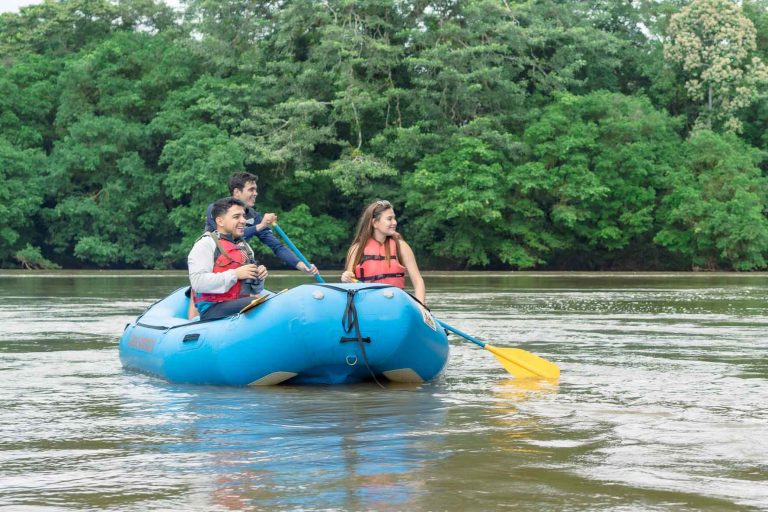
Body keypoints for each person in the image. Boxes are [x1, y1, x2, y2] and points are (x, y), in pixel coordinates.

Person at [205, 172, 318, 276]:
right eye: (251, 190)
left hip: (238, 269)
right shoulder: (215, 209)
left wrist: (302, 266)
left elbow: (277, 247)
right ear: (237, 192)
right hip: (213, 270)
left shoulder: (254, 217)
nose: (256, 193)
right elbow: (229, 236)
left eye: (256, 190)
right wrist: (261, 225)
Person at [188, 197, 269, 321]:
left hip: (239, 305)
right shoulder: (205, 244)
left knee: (258, 301)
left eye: (243, 216)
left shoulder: (245, 248)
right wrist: (235, 274)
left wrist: (259, 277)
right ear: (220, 221)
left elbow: (255, 289)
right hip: (212, 309)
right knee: (257, 303)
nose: (243, 221)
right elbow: (198, 282)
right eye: (236, 217)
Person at [341, 200, 426, 304]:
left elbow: (418, 282)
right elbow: (349, 282)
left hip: (395, 305)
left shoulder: (402, 247)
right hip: (367, 306)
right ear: (374, 223)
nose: (394, 222)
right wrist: (345, 278)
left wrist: (421, 307)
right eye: (389, 219)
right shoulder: (356, 249)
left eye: (394, 218)